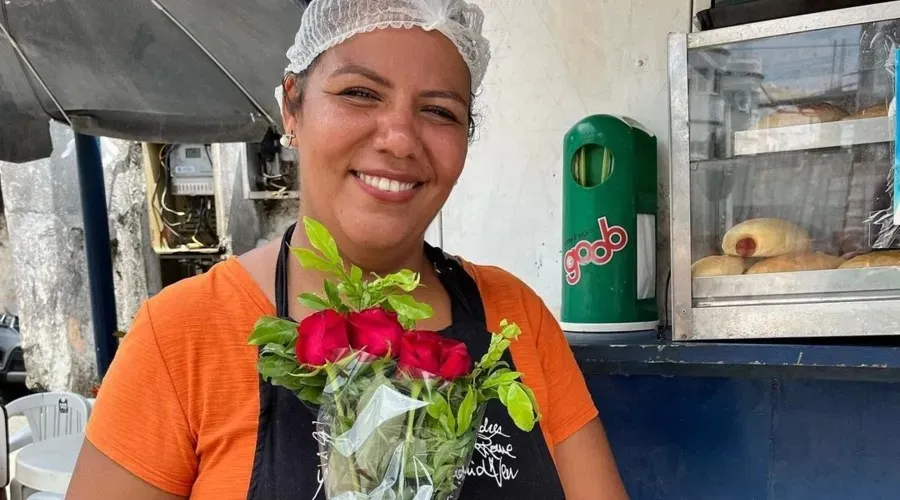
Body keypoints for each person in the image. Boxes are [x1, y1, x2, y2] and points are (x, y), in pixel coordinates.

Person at [67, 0, 629, 498]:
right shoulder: (182, 336)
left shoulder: (516, 316)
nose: (400, 138)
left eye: (438, 110)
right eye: (360, 93)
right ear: (293, 107)